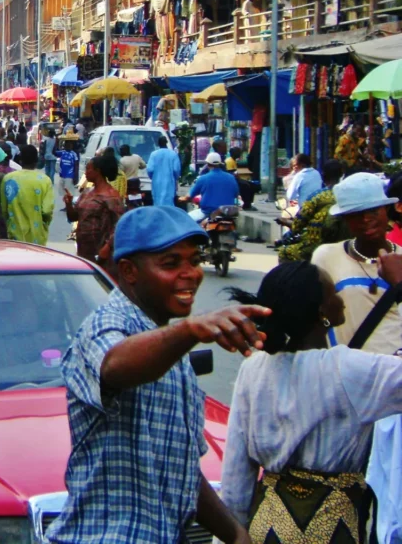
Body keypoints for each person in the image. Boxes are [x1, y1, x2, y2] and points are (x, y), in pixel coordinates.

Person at [49, 206, 262, 543]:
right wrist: (189, 330)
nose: (190, 274)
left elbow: (180, 472)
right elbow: (114, 365)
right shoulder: (106, 325)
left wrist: (235, 534)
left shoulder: (168, 347)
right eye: (171, 264)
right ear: (129, 271)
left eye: (194, 260)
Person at [221, 260, 402, 542]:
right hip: (332, 530)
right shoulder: (350, 370)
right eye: (333, 293)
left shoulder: (254, 370)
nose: (340, 299)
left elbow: (235, 477)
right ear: (322, 312)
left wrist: (229, 536)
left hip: (266, 529)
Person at [312, 173, 401, 354]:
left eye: (373, 211)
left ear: (386, 210)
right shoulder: (326, 257)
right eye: (356, 214)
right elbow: (313, 317)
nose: (366, 219)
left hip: (393, 375)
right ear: (345, 219)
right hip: (343, 374)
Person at [277, 161, 351, 263]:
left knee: (284, 252)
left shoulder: (317, 197)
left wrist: (284, 222)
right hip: (346, 245)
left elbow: (297, 225)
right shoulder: (349, 196)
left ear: (323, 176)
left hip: (316, 246)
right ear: (342, 175)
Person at [64, 154, 126, 263]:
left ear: (98, 171)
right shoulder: (87, 193)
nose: (85, 172)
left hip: (101, 253)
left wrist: (107, 248)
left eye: (88, 169)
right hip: (84, 251)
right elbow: (74, 217)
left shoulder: (111, 196)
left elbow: (119, 226)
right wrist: (68, 204)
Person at [3, 144, 55, 245]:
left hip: (14, 234)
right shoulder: (45, 181)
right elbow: (47, 210)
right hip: (37, 236)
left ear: (20, 161)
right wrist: (44, 223)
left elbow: (4, 209)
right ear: (36, 161)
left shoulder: (8, 179)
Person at [182, 155, 239, 222]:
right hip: (228, 212)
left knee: (186, 220)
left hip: (207, 212)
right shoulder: (231, 178)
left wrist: (180, 199)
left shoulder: (203, 178)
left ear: (208, 164)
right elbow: (236, 194)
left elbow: (188, 196)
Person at [147, 136, 181, 207]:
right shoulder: (173, 154)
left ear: (158, 144)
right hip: (170, 182)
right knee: (169, 202)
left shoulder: (154, 154)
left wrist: (153, 177)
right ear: (166, 142)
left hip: (157, 182)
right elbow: (176, 169)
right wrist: (175, 178)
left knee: (157, 201)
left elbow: (150, 169)